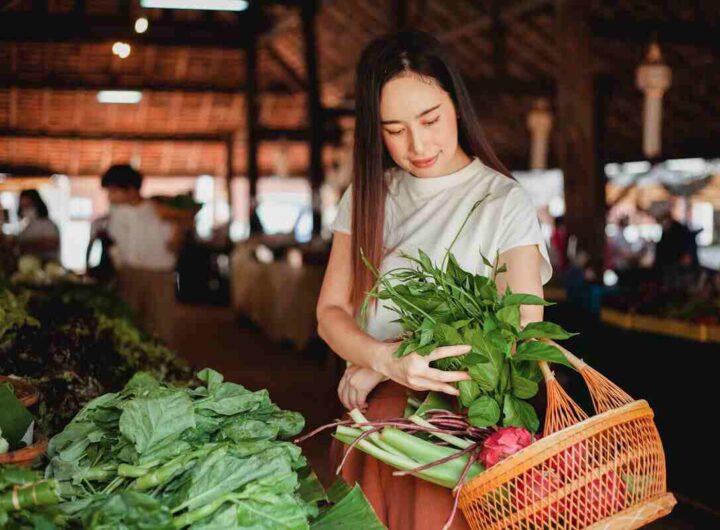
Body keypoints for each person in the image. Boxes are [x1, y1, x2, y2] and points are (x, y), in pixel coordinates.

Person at [316, 31, 552, 529]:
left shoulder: (501, 202)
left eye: (430, 120)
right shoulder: (367, 196)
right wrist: (381, 359)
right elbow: (330, 313)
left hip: (458, 431)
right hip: (375, 426)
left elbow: (519, 333)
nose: (418, 145)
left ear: (457, 106)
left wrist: (386, 363)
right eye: (394, 129)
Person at [101, 164, 180, 346]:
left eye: (113, 191)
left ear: (130, 190)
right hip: (128, 274)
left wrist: (180, 226)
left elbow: (173, 245)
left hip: (158, 277)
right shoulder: (116, 212)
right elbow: (115, 243)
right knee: (128, 328)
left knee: (160, 329)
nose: (109, 196)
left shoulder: (159, 211)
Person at [16, 189, 61, 262]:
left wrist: (26, 245)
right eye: (23, 206)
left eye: (29, 205)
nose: (26, 209)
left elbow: (51, 245)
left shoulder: (48, 225)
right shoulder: (27, 226)